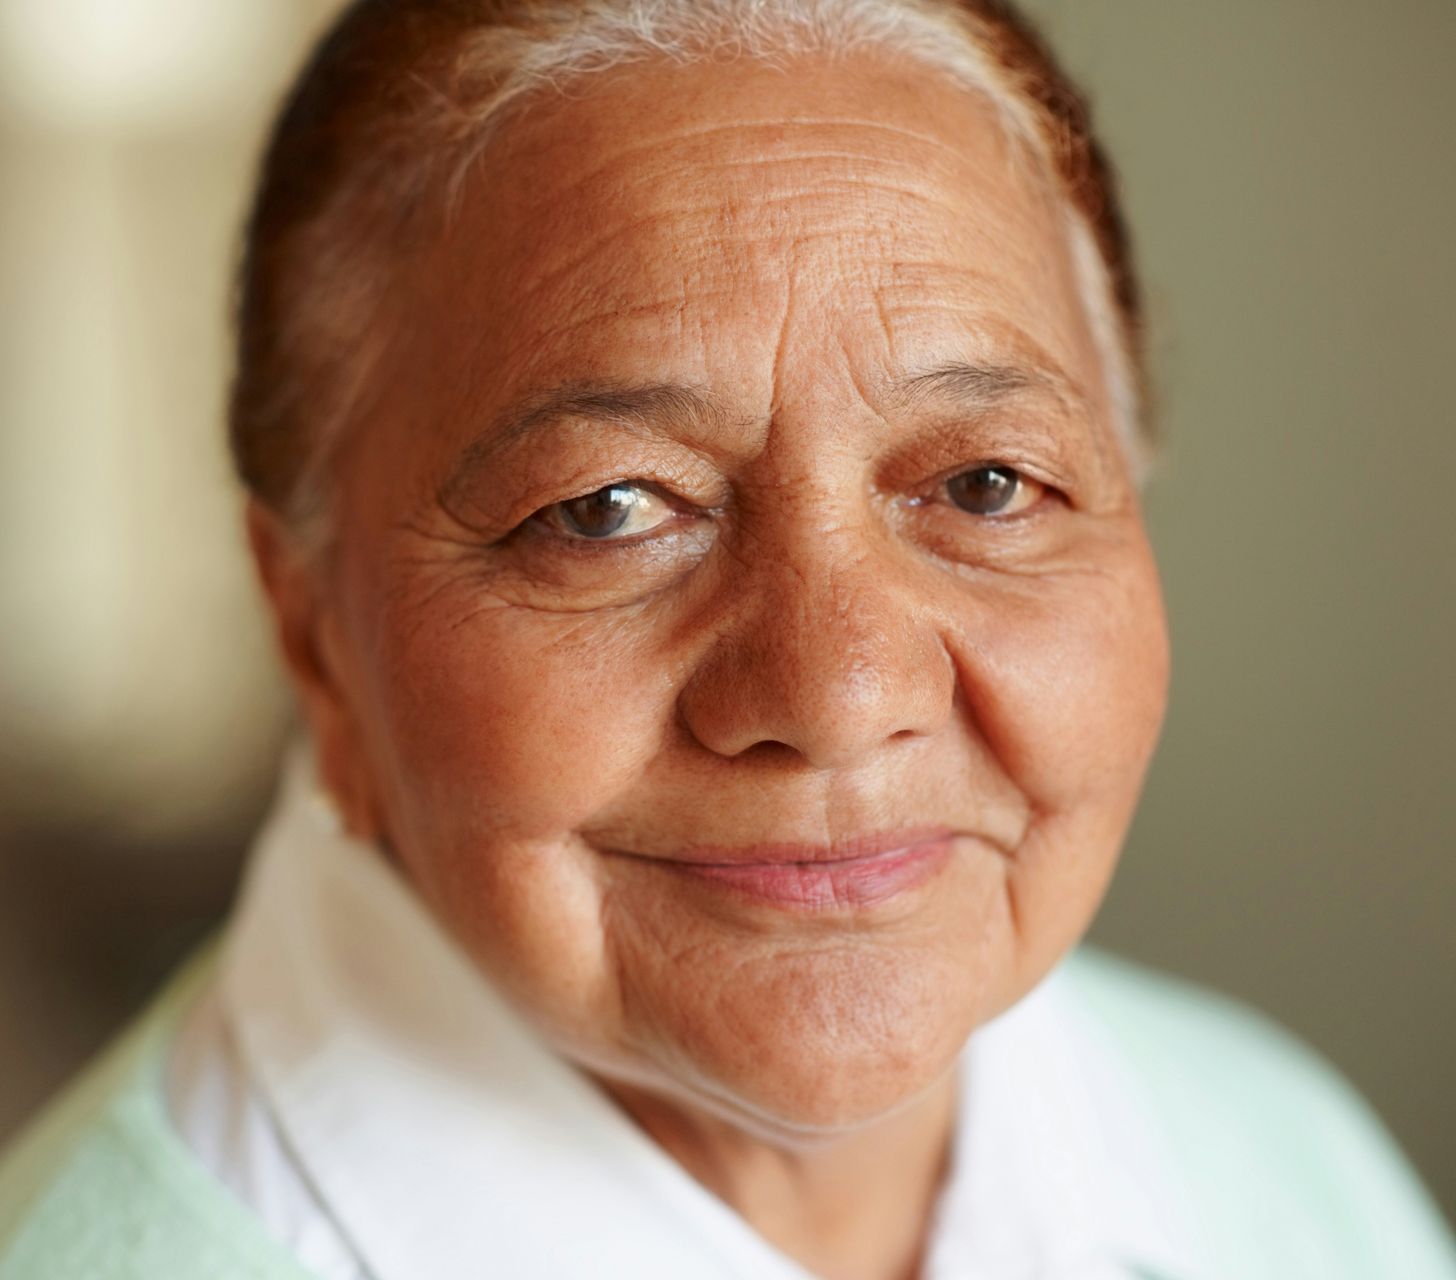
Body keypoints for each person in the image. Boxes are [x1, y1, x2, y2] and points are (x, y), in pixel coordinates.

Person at [1, 2, 1453, 1277]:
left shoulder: (1288, 1166)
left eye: (985, 483)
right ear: (311, 637)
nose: (837, 693)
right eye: (607, 510)